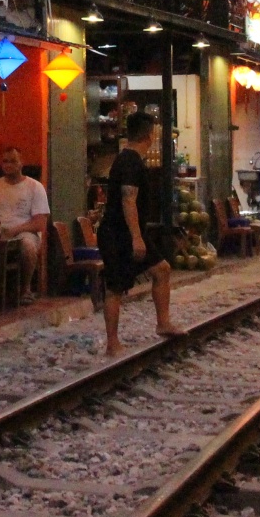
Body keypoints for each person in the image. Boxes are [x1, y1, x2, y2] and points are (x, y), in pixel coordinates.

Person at [97, 112, 182, 357]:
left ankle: (163, 322)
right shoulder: (130, 161)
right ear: (150, 134)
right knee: (114, 288)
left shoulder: (130, 159)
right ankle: (112, 343)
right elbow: (128, 199)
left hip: (127, 232)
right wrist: (136, 236)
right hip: (118, 234)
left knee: (162, 269)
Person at [0, 145, 50, 298]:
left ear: (21, 163)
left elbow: (39, 224)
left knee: (28, 247)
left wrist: (14, 230)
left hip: (23, 232)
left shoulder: (35, 187)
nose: (8, 165)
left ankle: (25, 289)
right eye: (5, 161)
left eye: (12, 161)